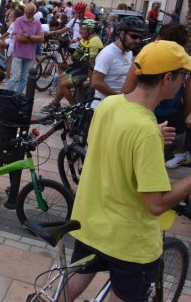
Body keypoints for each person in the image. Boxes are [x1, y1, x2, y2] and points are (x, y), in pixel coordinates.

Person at [66, 40, 191, 302]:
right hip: (128, 241)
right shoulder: (145, 131)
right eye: (184, 76)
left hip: (90, 221)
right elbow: (156, 204)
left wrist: (150, 134)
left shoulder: (110, 106)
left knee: (74, 281)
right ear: (167, 78)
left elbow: (111, 144)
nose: (184, 82)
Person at [121, 24, 191, 169]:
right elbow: (188, 96)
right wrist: (185, 117)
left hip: (148, 117)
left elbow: (126, 91)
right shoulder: (183, 64)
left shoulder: (145, 57)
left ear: (160, 39)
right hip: (168, 120)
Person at [41, 19, 104, 112]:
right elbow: (75, 57)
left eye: (82, 29)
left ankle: (74, 107)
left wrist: (89, 80)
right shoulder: (85, 39)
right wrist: (66, 46)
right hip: (81, 68)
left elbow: (92, 64)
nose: (79, 31)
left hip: (90, 73)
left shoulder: (94, 41)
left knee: (63, 84)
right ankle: (55, 104)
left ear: (90, 30)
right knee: (61, 77)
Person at [91, 16, 143, 108]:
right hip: (103, 107)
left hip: (119, 106)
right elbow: (96, 82)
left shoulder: (129, 51)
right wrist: (117, 97)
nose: (138, 41)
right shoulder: (107, 53)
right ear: (122, 34)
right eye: (134, 36)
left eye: (140, 37)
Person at [6, 3, 45, 94]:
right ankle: (8, 96)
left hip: (30, 54)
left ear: (34, 13)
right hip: (18, 53)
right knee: (15, 77)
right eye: (26, 12)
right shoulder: (19, 20)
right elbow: (19, 38)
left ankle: (18, 97)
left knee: (24, 78)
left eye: (30, 13)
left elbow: (42, 38)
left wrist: (28, 36)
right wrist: (34, 39)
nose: (27, 15)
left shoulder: (37, 23)